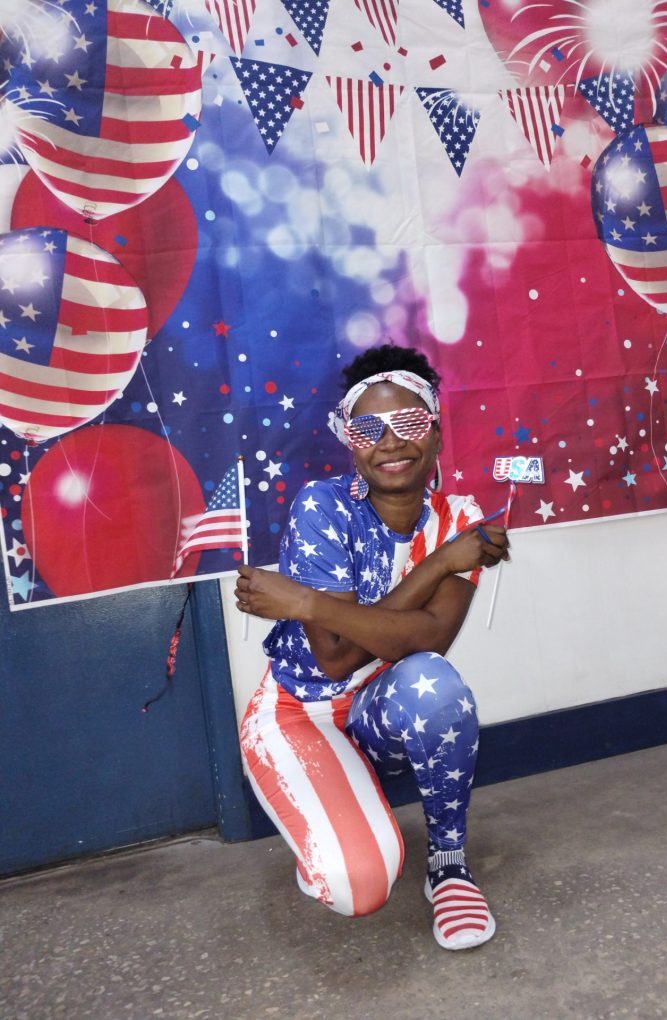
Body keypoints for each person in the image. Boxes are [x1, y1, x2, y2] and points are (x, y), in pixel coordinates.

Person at [235, 343, 509, 950]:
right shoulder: (321, 507)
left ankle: (448, 865)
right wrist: (439, 565)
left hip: (378, 710)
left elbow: (431, 638)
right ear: (349, 442)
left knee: (431, 680)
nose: (390, 442)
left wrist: (304, 601)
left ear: (436, 435)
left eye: (409, 423)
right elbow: (332, 658)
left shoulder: (461, 520)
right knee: (359, 887)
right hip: (298, 714)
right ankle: (333, 826)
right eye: (368, 429)